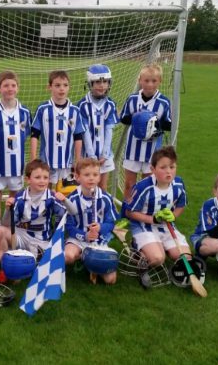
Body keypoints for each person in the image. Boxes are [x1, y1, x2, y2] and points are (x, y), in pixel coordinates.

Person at [0, 160, 67, 275]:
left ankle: (29, 260)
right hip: (21, 236)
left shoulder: (52, 198)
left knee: (49, 263)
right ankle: (6, 266)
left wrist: (55, 239)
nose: (42, 181)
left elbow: (63, 216)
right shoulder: (20, 197)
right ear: (28, 179)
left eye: (45, 177)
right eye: (37, 177)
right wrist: (7, 210)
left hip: (41, 240)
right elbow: (6, 224)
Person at [123, 146, 191, 270]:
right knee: (158, 259)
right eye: (163, 167)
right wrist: (153, 219)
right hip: (144, 226)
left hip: (166, 226)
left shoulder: (179, 184)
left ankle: (160, 246)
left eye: (172, 167)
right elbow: (129, 212)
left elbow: (181, 205)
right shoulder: (143, 187)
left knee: (186, 258)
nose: (168, 171)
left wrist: (173, 215)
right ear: (153, 169)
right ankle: (137, 247)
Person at [0, 71, 32, 230]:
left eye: (13, 85)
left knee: (14, 196)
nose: (10, 88)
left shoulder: (24, 112)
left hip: (17, 163)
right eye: (6, 85)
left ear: (18, 88)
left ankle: (10, 224)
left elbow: (26, 134)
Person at [119, 64, 172, 201]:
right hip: (132, 149)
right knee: (129, 184)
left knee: (147, 186)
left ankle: (143, 211)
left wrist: (153, 123)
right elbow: (124, 118)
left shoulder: (164, 102)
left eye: (154, 81)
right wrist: (138, 118)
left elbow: (169, 124)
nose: (150, 84)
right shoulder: (132, 99)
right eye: (146, 80)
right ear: (140, 80)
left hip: (152, 152)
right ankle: (128, 210)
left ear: (160, 81)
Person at [63, 158, 118, 284]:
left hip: (99, 240)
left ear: (99, 177)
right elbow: (69, 227)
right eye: (87, 175)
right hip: (77, 239)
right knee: (68, 256)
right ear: (77, 177)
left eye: (95, 174)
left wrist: (100, 228)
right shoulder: (71, 199)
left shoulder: (106, 198)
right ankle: (84, 258)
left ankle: (89, 260)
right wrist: (85, 236)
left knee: (111, 280)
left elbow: (111, 223)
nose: (91, 178)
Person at [30, 70, 85, 187]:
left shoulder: (75, 111)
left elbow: (78, 137)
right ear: (49, 87)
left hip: (67, 162)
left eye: (65, 85)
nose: (62, 89)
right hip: (47, 161)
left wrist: (78, 160)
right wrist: (33, 158)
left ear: (69, 87)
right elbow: (35, 134)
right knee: (45, 191)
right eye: (57, 85)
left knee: (66, 192)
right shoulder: (43, 109)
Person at [77, 64, 118, 190]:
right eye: (98, 82)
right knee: (87, 187)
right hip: (88, 155)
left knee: (102, 186)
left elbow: (109, 130)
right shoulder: (82, 105)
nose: (102, 86)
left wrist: (104, 154)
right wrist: (92, 156)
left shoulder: (110, 104)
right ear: (90, 83)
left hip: (105, 155)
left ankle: (101, 204)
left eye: (105, 82)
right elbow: (85, 132)